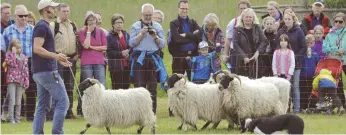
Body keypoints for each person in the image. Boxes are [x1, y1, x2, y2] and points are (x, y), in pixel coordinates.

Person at [31, 0, 71, 134]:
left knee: (42, 106)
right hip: (47, 72)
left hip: (42, 71)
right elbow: (37, 48)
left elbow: (42, 50)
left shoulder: (43, 26)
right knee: (63, 102)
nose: (55, 10)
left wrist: (58, 58)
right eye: (52, 8)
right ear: (45, 10)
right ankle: (57, 132)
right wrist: (55, 56)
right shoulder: (42, 26)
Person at [129, 3, 167, 114]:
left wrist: (155, 36)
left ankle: (152, 113)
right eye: (146, 15)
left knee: (152, 88)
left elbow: (163, 44)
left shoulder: (158, 27)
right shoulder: (135, 26)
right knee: (139, 88)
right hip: (139, 60)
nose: (148, 17)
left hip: (152, 60)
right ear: (142, 14)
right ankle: (138, 114)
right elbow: (131, 43)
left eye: (150, 15)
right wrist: (141, 34)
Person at [2, 4, 36, 121]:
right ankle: (15, 115)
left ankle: (30, 115)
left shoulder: (33, 29)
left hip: (30, 61)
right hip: (14, 64)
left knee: (31, 88)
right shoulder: (7, 31)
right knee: (15, 90)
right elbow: (6, 49)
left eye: (25, 15)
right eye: (21, 16)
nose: (24, 18)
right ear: (15, 16)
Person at [49, 3, 79, 119]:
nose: (66, 13)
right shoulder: (54, 25)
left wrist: (77, 54)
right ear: (58, 12)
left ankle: (69, 111)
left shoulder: (73, 25)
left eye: (67, 11)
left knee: (69, 85)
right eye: (63, 11)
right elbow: (49, 43)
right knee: (58, 85)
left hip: (71, 58)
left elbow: (77, 40)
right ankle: (57, 111)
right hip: (58, 58)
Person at [77, 11, 107, 116]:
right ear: (86, 21)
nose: (92, 23)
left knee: (101, 84)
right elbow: (85, 45)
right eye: (90, 21)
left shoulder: (101, 32)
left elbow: (105, 47)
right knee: (87, 86)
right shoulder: (82, 32)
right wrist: (89, 32)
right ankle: (85, 110)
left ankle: (101, 109)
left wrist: (93, 47)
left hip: (99, 62)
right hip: (87, 62)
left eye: (94, 20)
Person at [277, 11, 307, 113]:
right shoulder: (281, 31)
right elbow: (278, 45)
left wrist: (294, 57)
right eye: (285, 19)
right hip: (283, 64)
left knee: (295, 86)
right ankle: (286, 108)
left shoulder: (299, 31)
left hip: (296, 64)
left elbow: (304, 47)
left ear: (293, 19)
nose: (287, 21)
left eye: (289, 19)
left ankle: (297, 109)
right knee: (285, 87)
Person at [232, 8, 268, 79]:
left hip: (256, 59)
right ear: (242, 18)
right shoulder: (237, 29)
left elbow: (264, 40)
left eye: (250, 17)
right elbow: (235, 44)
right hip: (242, 62)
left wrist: (258, 52)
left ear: (253, 18)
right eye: (246, 17)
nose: (248, 19)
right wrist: (244, 57)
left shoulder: (258, 28)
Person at [169, 0, 200, 80]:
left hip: (193, 56)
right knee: (177, 82)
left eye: (186, 9)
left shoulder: (193, 22)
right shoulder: (173, 23)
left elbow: (199, 36)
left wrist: (186, 35)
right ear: (178, 9)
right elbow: (177, 39)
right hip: (179, 57)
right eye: (182, 8)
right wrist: (192, 37)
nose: (184, 11)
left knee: (194, 81)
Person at [1, 39, 29, 124]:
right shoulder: (9, 56)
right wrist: (13, 53)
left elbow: (25, 70)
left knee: (18, 100)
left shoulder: (23, 57)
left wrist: (26, 80)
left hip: (20, 80)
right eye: (16, 48)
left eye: (20, 48)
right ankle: (11, 118)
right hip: (11, 80)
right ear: (12, 48)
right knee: (12, 100)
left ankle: (17, 118)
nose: (19, 50)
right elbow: (12, 64)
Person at [322, 12, 346, 109]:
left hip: (344, 61)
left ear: (344, 22)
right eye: (336, 21)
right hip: (334, 63)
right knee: (338, 84)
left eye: (340, 21)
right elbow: (324, 49)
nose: (338, 23)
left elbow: (344, 49)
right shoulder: (329, 35)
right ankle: (342, 106)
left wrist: (339, 50)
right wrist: (336, 50)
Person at [224, 0, 251, 72]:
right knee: (235, 74)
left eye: (244, 8)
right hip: (235, 53)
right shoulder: (233, 22)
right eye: (241, 8)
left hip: (249, 53)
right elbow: (228, 40)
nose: (242, 10)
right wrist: (226, 55)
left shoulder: (253, 22)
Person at [107, 13, 131, 89]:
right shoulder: (109, 36)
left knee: (126, 87)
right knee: (117, 88)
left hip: (127, 65)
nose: (119, 24)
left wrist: (128, 51)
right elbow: (109, 51)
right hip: (115, 66)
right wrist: (121, 53)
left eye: (121, 22)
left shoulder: (126, 34)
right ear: (113, 24)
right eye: (117, 22)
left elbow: (131, 46)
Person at [1, 2, 15, 115]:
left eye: (9, 13)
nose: (7, 15)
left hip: (13, 60)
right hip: (2, 57)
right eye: (5, 13)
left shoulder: (14, 25)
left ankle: (13, 112)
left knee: (11, 86)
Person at [300, 34, 320, 110]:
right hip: (302, 76)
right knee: (303, 92)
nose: (309, 44)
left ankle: (312, 107)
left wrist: (316, 74)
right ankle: (302, 107)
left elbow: (318, 64)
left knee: (311, 92)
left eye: (311, 43)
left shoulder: (315, 54)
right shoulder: (302, 53)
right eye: (307, 43)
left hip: (312, 76)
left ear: (314, 43)